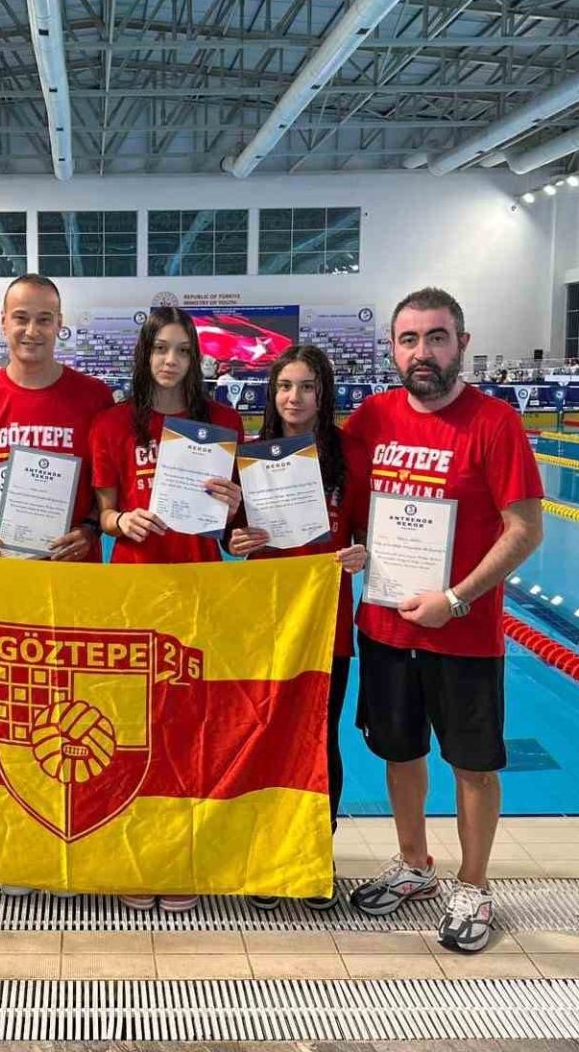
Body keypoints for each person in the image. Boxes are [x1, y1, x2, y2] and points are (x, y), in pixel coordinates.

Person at [343, 288, 543, 954]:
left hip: (463, 631)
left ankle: (474, 885)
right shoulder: (371, 418)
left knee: (473, 765)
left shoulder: (494, 422)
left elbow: (525, 530)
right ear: (392, 348)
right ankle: (414, 865)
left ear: (461, 343)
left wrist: (455, 598)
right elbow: (347, 510)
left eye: (435, 337)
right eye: (409, 339)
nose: (422, 351)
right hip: (385, 627)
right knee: (399, 753)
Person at [89, 307, 243, 914]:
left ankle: (181, 853)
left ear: (195, 358)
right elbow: (103, 512)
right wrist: (120, 520)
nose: (171, 361)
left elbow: (237, 525)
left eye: (182, 350)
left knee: (187, 730)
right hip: (133, 592)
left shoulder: (223, 423)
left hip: (199, 592)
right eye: (160, 349)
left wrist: (236, 503)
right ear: (144, 354)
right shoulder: (112, 425)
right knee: (132, 730)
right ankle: (134, 850)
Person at [227, 345, 367, 913]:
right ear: (272, 392)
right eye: (285, 386)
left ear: (323, 393)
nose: (295, 397)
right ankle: (268, 851)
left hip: (325, 620)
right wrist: (236, 540)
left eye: (307, 386)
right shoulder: (251, 456)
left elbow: (368, 531)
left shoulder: (349, 455)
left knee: (321, 740)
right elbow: (232, 534)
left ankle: (316, 853)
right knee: (266, 737)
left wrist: (362, 552)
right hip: (267, 619)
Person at [0, 274, 112, 565]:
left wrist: (90, 530)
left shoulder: (96, 397)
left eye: (44, 319)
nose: (32, 330)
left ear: (59, 324)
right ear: (4, 322)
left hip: (72, 570)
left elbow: (108, 485)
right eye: (21, 318)